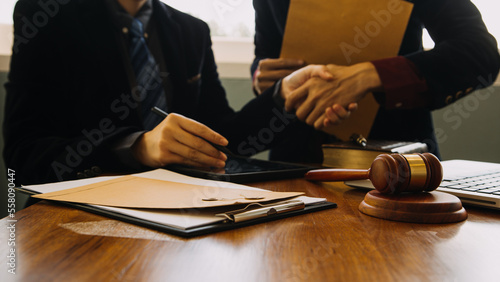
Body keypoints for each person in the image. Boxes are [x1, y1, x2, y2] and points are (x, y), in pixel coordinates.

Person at [3, 0, 341, 185]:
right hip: (82, 220)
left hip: (182, 213)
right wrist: (135, 146)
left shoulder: (191, 30)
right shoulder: (45, 14)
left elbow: (223, 140)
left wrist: (281, 96)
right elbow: (23, 153)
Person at [252, 0, 500, 163]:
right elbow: (266, 55)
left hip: (395, 165)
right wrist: (260, 78)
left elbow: (481, 53)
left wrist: (373, 75)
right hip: (295, 163)